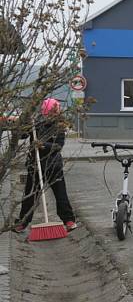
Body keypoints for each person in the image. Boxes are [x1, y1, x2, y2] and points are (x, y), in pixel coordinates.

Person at [14, 98, 78, 233]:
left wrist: (42, 144)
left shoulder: (59, 126)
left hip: (53, 165)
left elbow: (58, 146)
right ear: (44, 112)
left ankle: (69, 220)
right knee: (30, 195)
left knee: (61, 194)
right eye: (49, 112)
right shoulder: (35, 123)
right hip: (35, 165)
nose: (52, 115)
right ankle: (22, 222)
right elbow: (22, 135)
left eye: (54, 112)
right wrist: (25, 121)